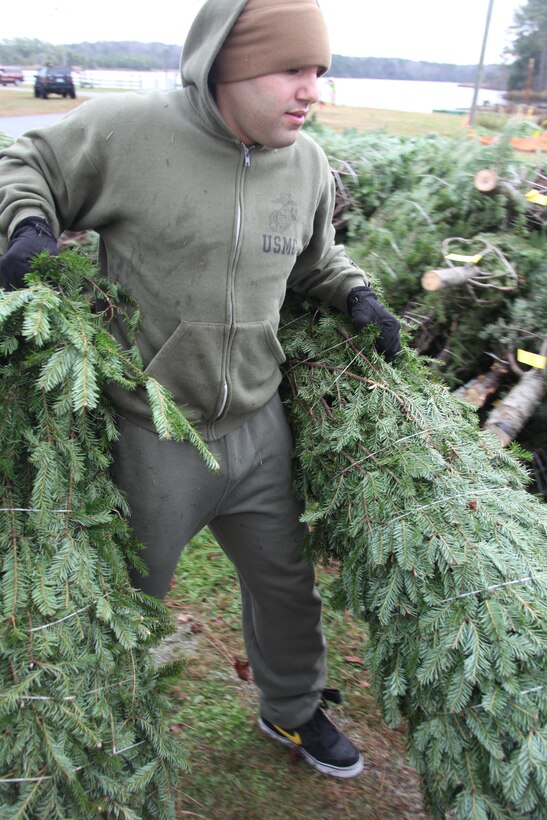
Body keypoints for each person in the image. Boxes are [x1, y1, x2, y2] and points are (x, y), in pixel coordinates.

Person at [0, 0, 400, 779]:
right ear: (228, 66)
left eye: (319, 71)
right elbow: (29, 163)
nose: (311, 90)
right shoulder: (129, 132)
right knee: (127, 601)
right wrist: (28, 227)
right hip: (151, 432)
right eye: (292, 69)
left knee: (286, 587)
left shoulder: (305, 164)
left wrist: (354, 293)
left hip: (257, 426)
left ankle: (292, 708)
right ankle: (99, 731)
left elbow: (314, 259)